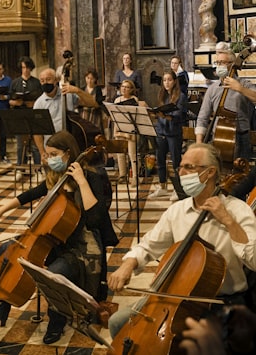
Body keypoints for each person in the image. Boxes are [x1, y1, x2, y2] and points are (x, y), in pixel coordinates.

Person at [0, 131, 115, 344]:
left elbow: (97, 219)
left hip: (78, 248)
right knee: (6, 249)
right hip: (53, 242)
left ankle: (57, 323)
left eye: (54, 154)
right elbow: (29, 194)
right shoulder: (56, 178)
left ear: (68, 154)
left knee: (54, 274)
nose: (49, 158)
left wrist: (81, 182)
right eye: (48, 154)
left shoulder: (91, 177)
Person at [108, 143, 256, 339]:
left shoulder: (238, 210)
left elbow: (254, 260)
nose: (181, 172)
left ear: (210, 172)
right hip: (177, 296)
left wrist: (228, 221)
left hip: (223, 302)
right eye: (180, 167)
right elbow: (148, 245)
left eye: (189, 167)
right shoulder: (177, 210)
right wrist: (129, 263)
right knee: (117, 322)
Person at [195, 41, 256, 162]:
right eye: (217, 63)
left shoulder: (243, 84)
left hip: (241, 135)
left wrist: (239, 88)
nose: (219, 66)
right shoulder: (213, 89)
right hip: (218, 136)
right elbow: (203, 117)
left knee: (242, 174)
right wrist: (199, 143)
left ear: (232, 64)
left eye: (222, 62)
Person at [153, 70, 189, 199]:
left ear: (174, 81)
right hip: (161, 130)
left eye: (169, 80)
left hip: (174, 132)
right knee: (160, 160)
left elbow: (179, 115)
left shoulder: (181, 96)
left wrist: (166, 116)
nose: (166, 83)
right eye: (164, 80)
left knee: (175, 162)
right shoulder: (162, 95)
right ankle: (162, 187)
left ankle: (178, 189)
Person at [32, 68, 74, 164]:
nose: (45, 83)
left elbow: (92, 102)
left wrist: (77, 91)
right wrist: (42, 152)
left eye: (48, 79)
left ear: (56, 80)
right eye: (42, 81)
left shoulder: (67, 95)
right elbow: (37, 132)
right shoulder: (39, 103)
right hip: (50, 148)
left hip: (69, 145)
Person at [113, 79, 147, 184]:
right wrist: (116, 131)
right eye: (123, 86)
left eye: (127, 87)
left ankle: (135, 177)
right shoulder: (117, 100)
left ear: (131, 89)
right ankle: (123, 175)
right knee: (120, 153)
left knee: (132, 154)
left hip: (131, 130)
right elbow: (115, 117)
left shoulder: (134, 100)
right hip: (120, 129)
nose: (124, 89)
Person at [9, 57, 42, 165]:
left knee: (35, 143)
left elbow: (41, 99)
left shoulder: (36, 82)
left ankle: (37, 167)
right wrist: (16, 103)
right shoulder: (15, 83)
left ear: (31, 68)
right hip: (19, 115)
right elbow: (9, 101)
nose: (25, 70)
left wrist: (34, 103)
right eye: (23, 67)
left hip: (33, 114)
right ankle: (21, 167)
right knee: (20, 145)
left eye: (28, 67)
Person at [62, 67, 105, 133]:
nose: (89, 81)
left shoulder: (98, 89)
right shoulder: (82, 89)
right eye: (88, 78)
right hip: (84, 116)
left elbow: (98, 104)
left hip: (94, 117)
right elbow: (78, 103)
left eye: (92, 79)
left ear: (95, 79)